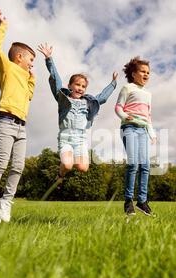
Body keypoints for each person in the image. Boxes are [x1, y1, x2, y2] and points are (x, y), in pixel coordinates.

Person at [0, 9, 36, 224]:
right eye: (31, 59)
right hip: (5, 121)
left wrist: (32, 80)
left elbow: (29, 96)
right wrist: (3, 26)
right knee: (2, 162)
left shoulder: (25, 75)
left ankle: (7, 201)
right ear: (19, 57)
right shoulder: (8, 68)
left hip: (22, 126)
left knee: (18, 166)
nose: (32, 63)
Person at [37, 43, 117, 184]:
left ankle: (66, 168)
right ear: (70, 86)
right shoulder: (63, 99)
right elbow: (56, 81)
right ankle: (60, 175)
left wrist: (113, 83)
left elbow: (102, 97)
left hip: (80, 139)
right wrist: (49, 59)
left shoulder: (88, 102)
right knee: (67, 165)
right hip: (66, 137)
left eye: (83, 86)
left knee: (83, 167)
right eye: (77, 85)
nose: (80, 88)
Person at [115, 57, 157, 216]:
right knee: (133, 164)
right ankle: (128, 201)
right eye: (143, 72)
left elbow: (148, 115)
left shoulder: (148, 93)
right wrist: (125, 116)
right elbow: (118, 107)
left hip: (143, 130)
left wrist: (152, 133)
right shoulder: (128, 88)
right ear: (133, 74)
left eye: (148, 72)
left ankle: (142, 201)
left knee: (145, 165)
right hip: (129, 128)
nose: (146, 75)